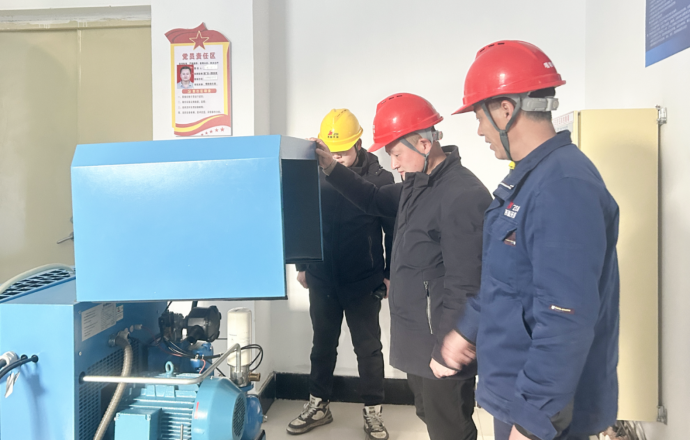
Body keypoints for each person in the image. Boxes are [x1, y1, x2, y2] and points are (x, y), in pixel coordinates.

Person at [442, 40, 620, 440]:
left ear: (506, 110)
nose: (479, 130)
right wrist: (467, 330)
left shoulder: (563, 186)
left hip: (542, 411)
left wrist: (533, 421)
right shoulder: (530, 179)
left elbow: (565, 317)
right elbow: (506, 280)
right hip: (517, 392)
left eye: (480, 116)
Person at [311, 94, 491, 440]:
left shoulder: (462, 194)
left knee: (450, 425)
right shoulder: (418, 184)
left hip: (442, 340)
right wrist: (331, 167)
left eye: (396, 154)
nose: (392, 164)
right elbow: (373, 199)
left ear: (424, 143)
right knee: (428, 413)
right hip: (420, 338)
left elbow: (468, 284)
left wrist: (452, 344)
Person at [287, 109, 395, 440]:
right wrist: (302, 266)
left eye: (343, 152)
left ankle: (373, 411)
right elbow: (302, 219)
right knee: (322, 345)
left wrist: (389, 273)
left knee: (368, 349)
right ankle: (318, 405)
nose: (336, 159)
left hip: (363, 280)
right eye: (331, 152)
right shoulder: (314, 175)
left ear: (359, 145)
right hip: (322, 278)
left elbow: (393, 232)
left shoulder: (380, 181)